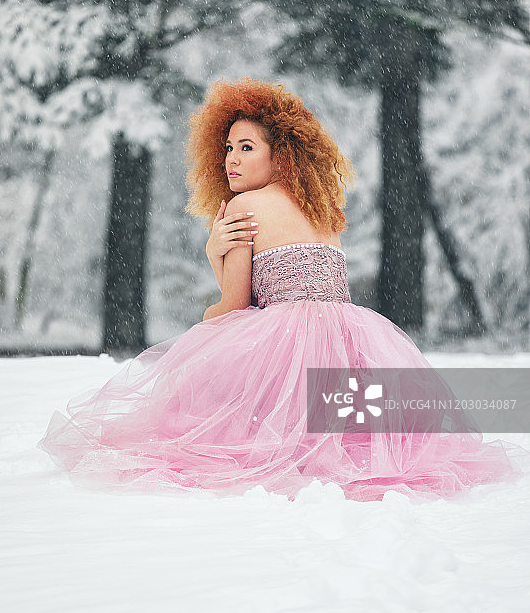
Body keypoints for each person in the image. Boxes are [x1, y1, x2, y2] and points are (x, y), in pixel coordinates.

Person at [37, 78, 527, 502]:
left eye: (246, 147)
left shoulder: (241, 208)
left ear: (281, 153)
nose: (231, 159)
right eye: (228, 147)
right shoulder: (320, 210)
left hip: (290, 341)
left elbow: (233, 309)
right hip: (350, 338)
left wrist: (214, 258)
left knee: (205, 360)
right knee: (359, 437)